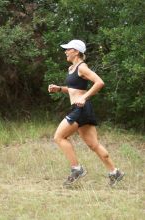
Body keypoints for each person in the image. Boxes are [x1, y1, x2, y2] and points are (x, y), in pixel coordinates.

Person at [48, 39, 124, 186]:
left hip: (81, 108)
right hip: (82, 108)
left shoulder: (82, 67)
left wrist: (84, 97)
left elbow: (99, 82)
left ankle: (77, 169)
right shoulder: (72, 68)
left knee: (59, 137)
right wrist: (59, 88)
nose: (65, 51)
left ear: (76, 51)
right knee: (93, 145)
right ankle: (115, 172)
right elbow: (74, 90)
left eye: (68, 49)